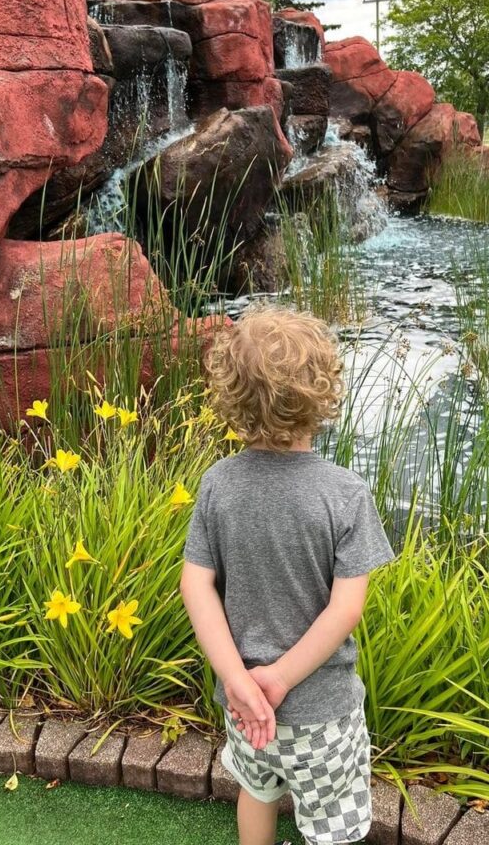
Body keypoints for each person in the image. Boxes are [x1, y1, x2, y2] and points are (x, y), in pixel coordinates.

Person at [180, 307, 395, 845]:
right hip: (320, 711)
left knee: (258, 790)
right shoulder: (345, 494)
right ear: (322, 395)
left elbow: (195, 584)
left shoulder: (218, 485)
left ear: (230, 393)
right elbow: (345, 609)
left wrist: (238, 680)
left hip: (243, 706)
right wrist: (277, 680)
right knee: (334, 820)